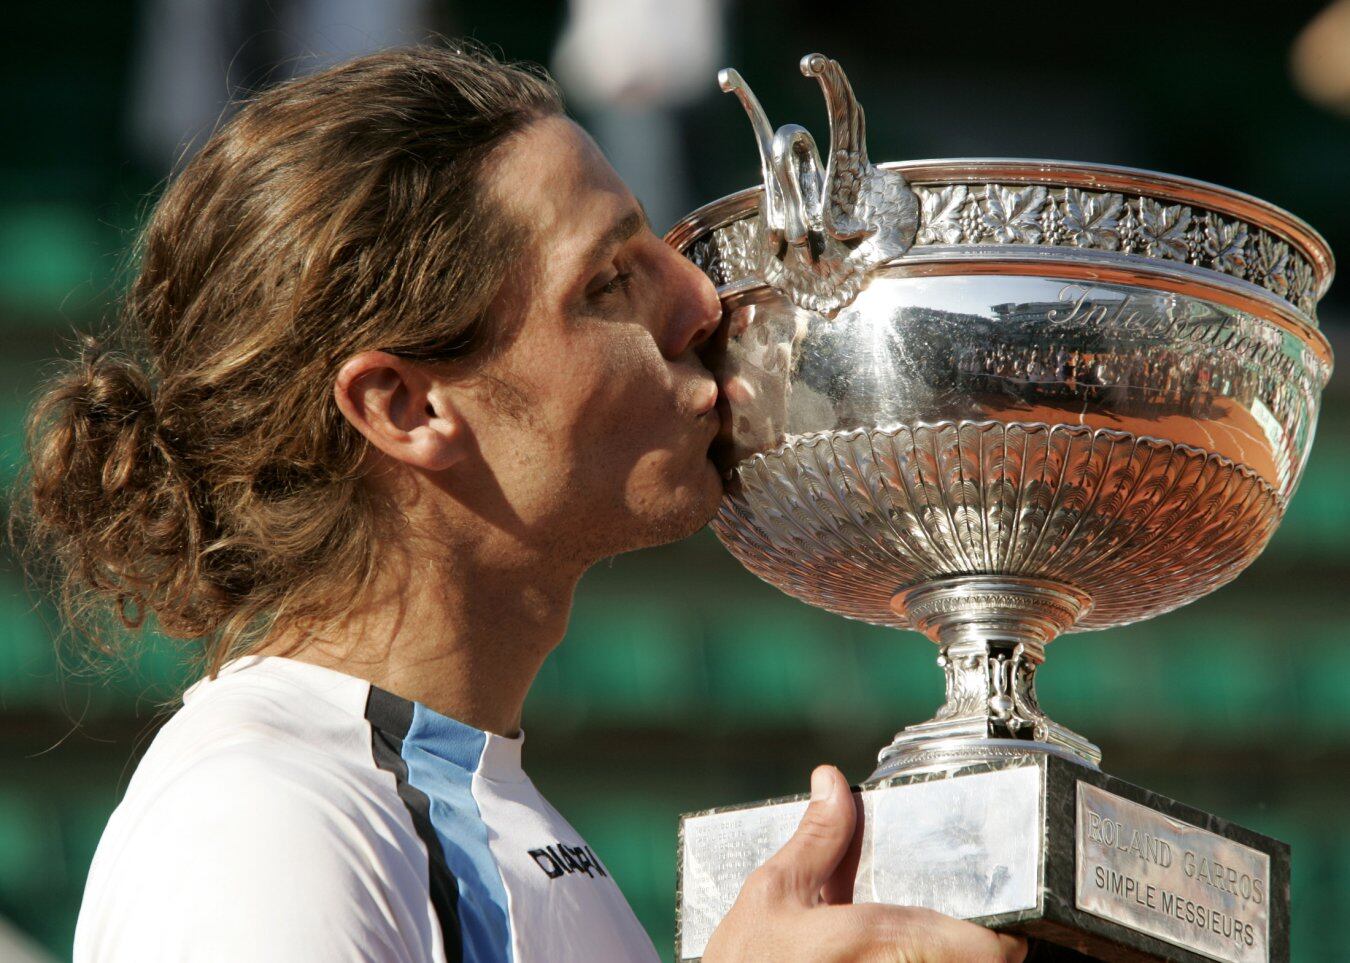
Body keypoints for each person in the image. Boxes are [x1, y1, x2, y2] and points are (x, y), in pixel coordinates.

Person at [20, 44, 1027, 963]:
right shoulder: (260, 820)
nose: (699, 302)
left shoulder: (477, 803)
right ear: (406, 407)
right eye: (609, 283)